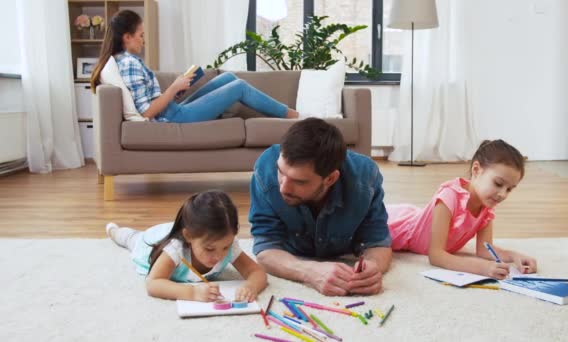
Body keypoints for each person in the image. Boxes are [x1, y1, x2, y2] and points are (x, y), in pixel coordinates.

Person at [249, 118, 392, 296]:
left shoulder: (365, 178)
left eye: (299, 181)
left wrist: (373, 268)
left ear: (330, 179)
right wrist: (308, 271)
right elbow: (265, 248)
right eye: (281, 172)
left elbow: (378, 242)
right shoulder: (265, 169)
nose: (283, 187)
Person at [90, 10, 298, 123]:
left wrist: (177, 90)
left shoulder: (127, 61)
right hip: (172, 118)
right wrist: (172, 88)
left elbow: (151, 101)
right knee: (239, 87)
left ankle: (289, 114)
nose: (143, 41)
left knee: (228, 79)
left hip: (171, 110)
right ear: (127, 37)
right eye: (141, 36)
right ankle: (293, 116)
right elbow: (146, 113)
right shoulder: (129, 64)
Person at [388, 139, 537, 279]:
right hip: (397, 225)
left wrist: (514, 256)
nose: (502, 194)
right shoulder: (449, 196)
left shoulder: (487, 207)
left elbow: (485, 249)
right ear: (476, 170)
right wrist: (482, 268)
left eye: (510, 189)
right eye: (498, 184)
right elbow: (436, 255)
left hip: (416, 216)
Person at [106, 191, 267, 302]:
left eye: (226, 247)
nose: (219, 256)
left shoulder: (226, 243)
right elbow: (153, 284)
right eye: (210, 249)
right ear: (188, 236)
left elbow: (256, 271)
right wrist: (192, 292)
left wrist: (251, 286)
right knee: (131, 239)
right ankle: (114, 230)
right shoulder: (175, 249)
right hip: (151, 243)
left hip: (188, 231)